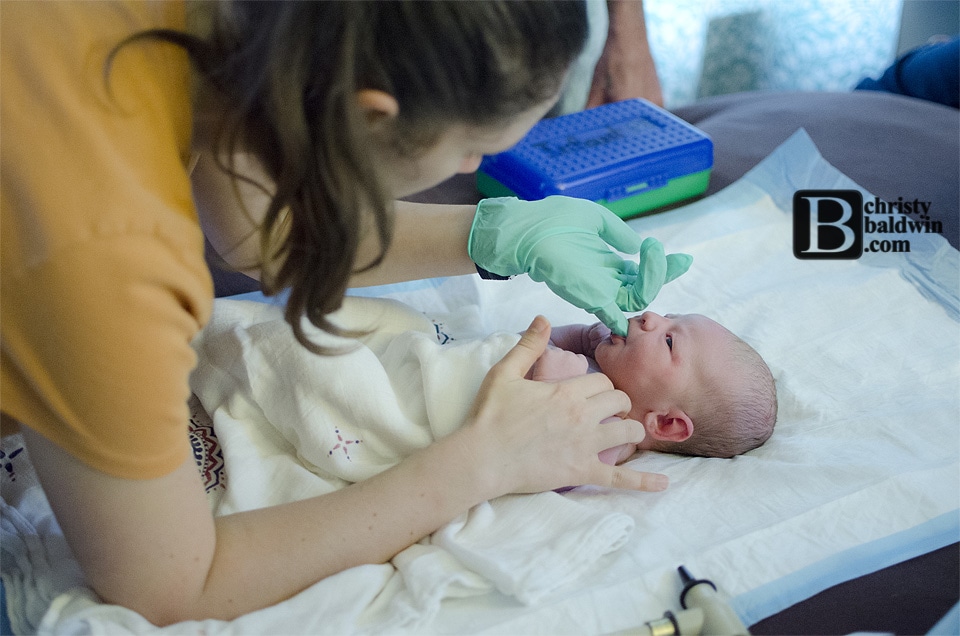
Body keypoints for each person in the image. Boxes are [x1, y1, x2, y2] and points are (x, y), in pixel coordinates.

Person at [0, 1, 690, 626]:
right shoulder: (106, 251)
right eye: (473, 150)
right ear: (365, 114)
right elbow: (172, 585)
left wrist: (493, 235)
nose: (482, 162)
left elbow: (260, 233)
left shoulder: (245, 30)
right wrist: (479, 466)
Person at [530, 312, 777, 463]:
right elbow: (526, 342)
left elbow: (548, 467)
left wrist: (550, 387)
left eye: (669, 341)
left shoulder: (612, 435)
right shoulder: (597, 369)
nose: (650, 316)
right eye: (669, 317)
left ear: (665, 423)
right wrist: (582, 338)